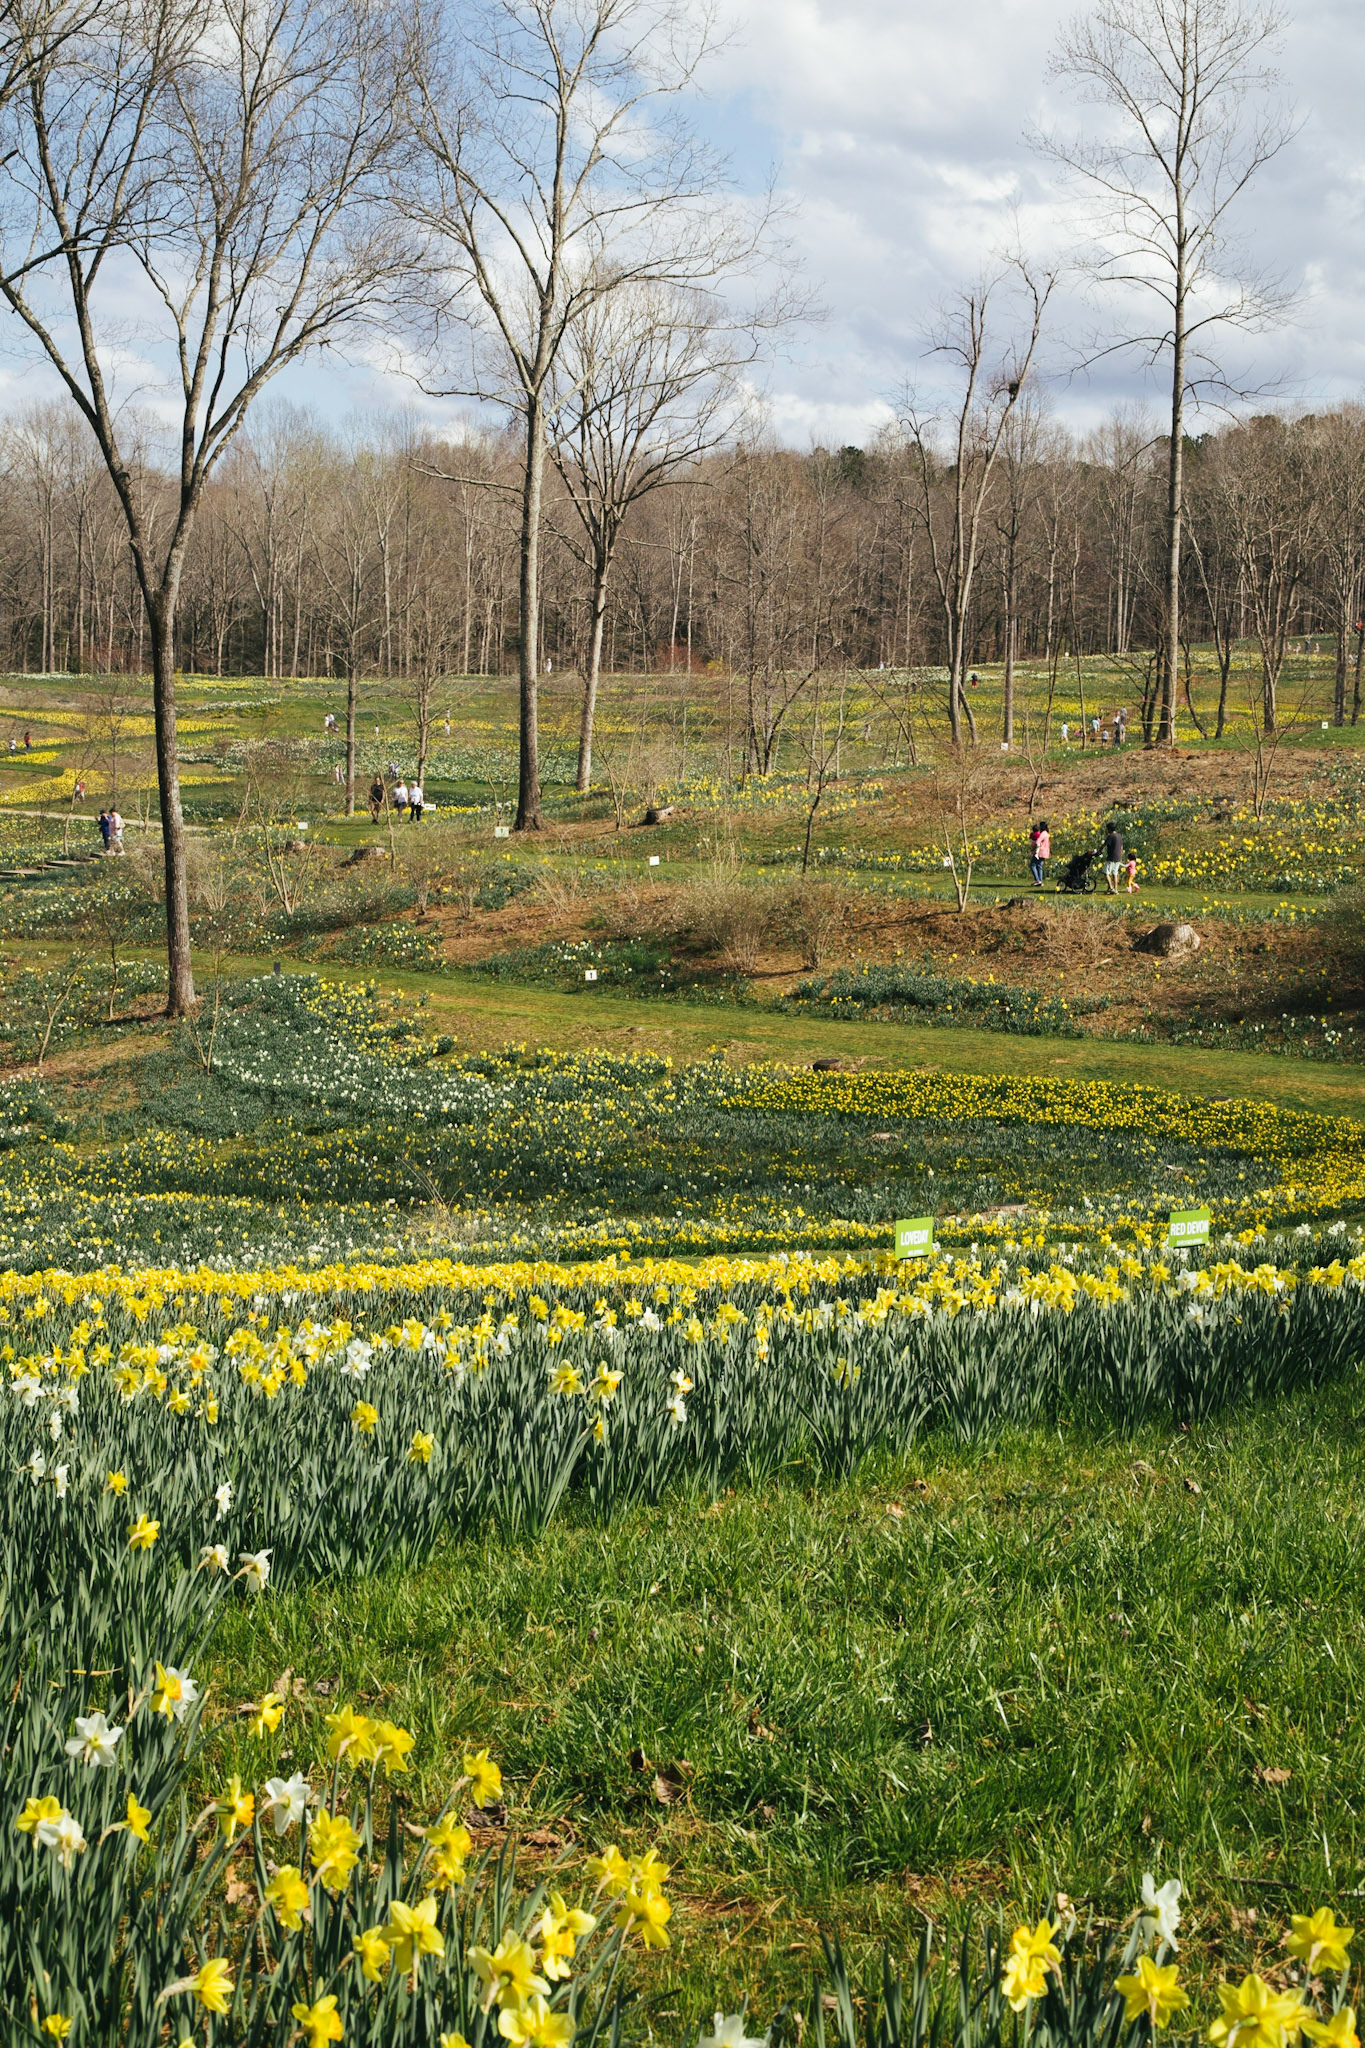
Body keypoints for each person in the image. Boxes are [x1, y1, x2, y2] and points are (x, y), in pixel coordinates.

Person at [1103, 819, 1124, 894]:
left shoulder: (1110, 836)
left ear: (1109, 829)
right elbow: (1121, 848)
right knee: (1115, 873)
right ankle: (1116, 889)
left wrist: (1099, 850)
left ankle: (1111, 888)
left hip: (1111, 857)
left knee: (1106, 872)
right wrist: (1121, 857)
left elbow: (1104, 845)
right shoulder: (1119, 836)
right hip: (1118, 858)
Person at [1036, 819, 1050, 884]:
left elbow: (1038, 841)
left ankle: (1038, 879)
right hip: (1045, 852)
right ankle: (1040, 880)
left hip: (1041, 851)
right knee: (1039, 866)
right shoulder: (1047, 833)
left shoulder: (1043, 834)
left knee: (1032, 865)